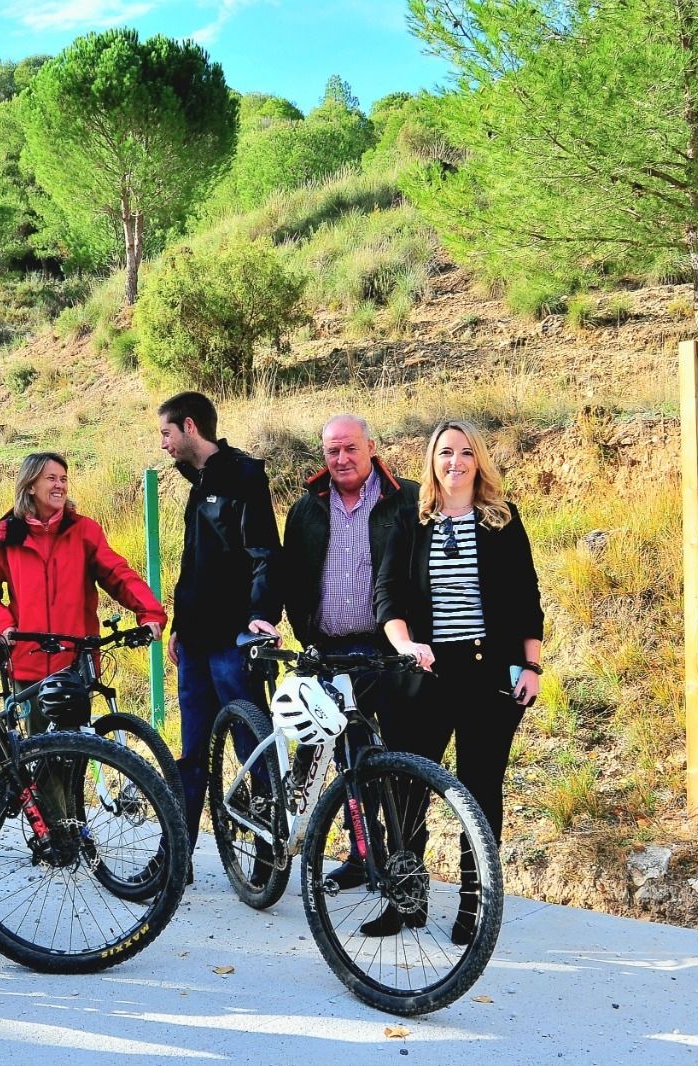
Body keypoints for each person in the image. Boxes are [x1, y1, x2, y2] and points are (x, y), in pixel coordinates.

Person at [373, 419, 544, 940]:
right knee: (407, 790)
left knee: (480, 790)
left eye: (466, 452)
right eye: (446, 452)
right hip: (424, 674)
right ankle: (406, 899)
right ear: (432, 460)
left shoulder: (502, 520)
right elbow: (387, 596)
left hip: (488, 676)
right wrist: (405, 645)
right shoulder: (411, 520)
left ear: (478, 461)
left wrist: (532, 666)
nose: (456, 462)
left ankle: (475, 903)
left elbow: (526, 598)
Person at [279, 413, 420, 889]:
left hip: (388, 650)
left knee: (397, 757)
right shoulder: (306, 509)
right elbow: (291, 577)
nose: (341, 459)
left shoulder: (407, 499)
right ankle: (364, 853)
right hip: (329, 653)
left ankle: (403, 860)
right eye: (332, 450)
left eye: (350, 448)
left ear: (371, 448)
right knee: (351, 759)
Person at [158, 391, 281, 865]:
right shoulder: (198, 481)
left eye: (167, 433)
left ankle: (268, 856)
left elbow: (265, 554)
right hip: (194, 644)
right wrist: (179, 625)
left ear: (189, 426)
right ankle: (176, 859)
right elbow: (194, 564)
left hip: (233, 643)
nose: (164, 444)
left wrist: (262, 615)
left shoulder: (243, 477)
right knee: (191, 755)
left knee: (254, 750)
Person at [0, 451, 166, 693]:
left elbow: (118, 575)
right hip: (26, 664)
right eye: (51, 478)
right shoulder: (6, 537)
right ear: (30, 486)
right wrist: (4, 624)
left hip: (77, 663)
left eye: (63, 479)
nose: (60, 485)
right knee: (32, 721)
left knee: (82, 720)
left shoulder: (84, 531)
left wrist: (150, 613)